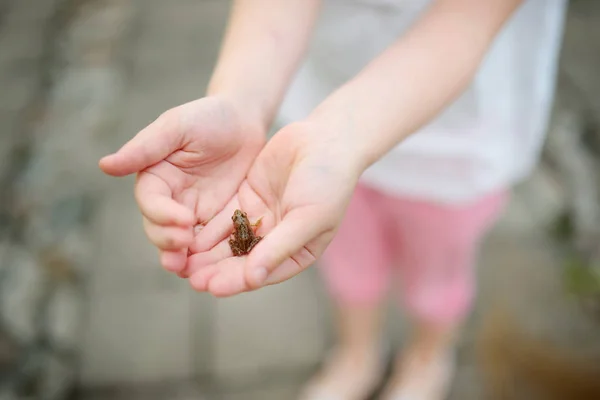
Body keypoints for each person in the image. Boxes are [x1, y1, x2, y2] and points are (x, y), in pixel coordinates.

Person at [99, 0, 568, 398]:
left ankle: (428, 356)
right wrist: (240, 98)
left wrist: (343, 137)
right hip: (315, 135)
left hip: (454, 145)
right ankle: (357, 352)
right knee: (346, 260)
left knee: (437, 273)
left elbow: (466, 22)